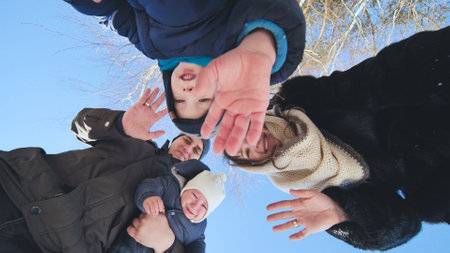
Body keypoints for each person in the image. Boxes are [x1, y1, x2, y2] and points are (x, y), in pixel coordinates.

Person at [224, 27, 450, 250]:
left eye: (244, 136)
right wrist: (341, 211)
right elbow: (403, 226)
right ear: (256, 166)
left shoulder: (308, 103)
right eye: (246, 154)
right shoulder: (315, 188)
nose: (251, 144)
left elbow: (381, 77)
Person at [64, 0, 306, 156]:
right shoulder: (226, 37)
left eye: (180, 101)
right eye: (203, 100)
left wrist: (93, 4)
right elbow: (272, 10)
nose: (190, 94)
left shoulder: (153, 49)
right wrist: (261, 48)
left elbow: (115, 16)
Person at [0, 88, 210, 252]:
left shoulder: (182, 205)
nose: (188, 149)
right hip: (21, 181)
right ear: (175, 139)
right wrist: (120, 124)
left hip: (56, 244)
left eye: (196, 151)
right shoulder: (138, 139)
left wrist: (167, 245)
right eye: (187, 139)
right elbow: (80, 123)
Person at [109, 160, 226, 253]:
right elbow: (149, 184)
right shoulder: (171, 186)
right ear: (187, 187)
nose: (195, 206)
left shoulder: (199, 228)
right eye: (195, 195)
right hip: (131, 242)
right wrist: (148, 197)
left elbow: (197, 246)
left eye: (204, 207)